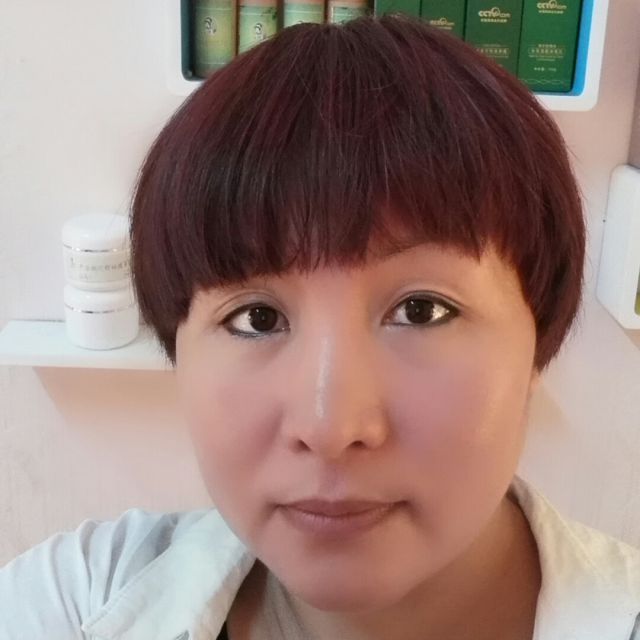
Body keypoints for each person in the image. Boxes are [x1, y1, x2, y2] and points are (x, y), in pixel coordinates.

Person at [1, 13, 639, 640]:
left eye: (422, 310)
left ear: (537, 342)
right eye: (257, 319)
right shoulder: (70, 601)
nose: (330, 428)